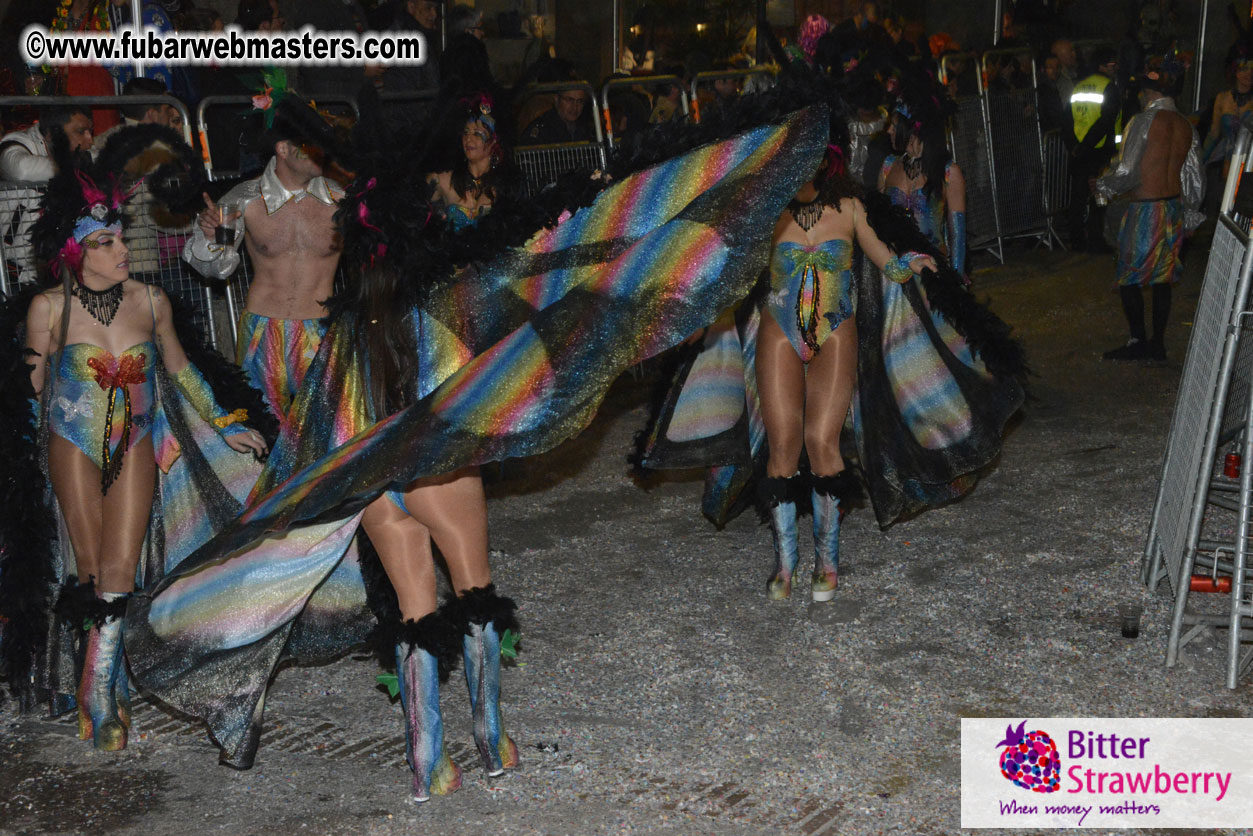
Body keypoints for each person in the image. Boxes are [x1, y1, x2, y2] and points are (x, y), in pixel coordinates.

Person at [121, 85, 828, 801]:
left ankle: (429, 761)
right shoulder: (440, 297)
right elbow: (512, 285)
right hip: (432, 457)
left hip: (369, 465)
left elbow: (326, 421)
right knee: (476, 592)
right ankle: (491, 740)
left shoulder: (341, 331)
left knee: (415, 606)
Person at [2, 124, 267, 746]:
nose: (121, 246)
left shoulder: (150, 302)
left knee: (121, 572)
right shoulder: (49, 309)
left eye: (120, 235)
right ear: (74, 252)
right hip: (72, 445)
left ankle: (96, 692)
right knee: (90, 569)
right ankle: (104, 684)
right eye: (105, 241)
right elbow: (28, 392)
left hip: (137, 444)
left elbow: (181, 370)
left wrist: (225, 426)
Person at [756, 148, 936, 600]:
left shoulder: (850, 207)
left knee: (821, 440)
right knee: (783, 446)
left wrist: (911, 263)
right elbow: (730, 271)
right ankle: (785, 563)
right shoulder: (765, 212)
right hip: (779, 329)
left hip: (835, 329)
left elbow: (884, 260)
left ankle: (827, 560)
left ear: (824, 159)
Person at [184, 94, 345, 426]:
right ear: (283, 149)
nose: (320, 150)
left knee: (328, 434)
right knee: (263, 430)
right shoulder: (245, 199)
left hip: (323, 331)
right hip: (262, 332)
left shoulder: (343, 199)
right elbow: (216, 265)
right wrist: (216, 239)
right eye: (308, 143)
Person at [1095, 57, 1203, 363]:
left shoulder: (1142, 122)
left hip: (1145, 209)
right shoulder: (1185, 126)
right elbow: (1194, 176)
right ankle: (1158, 343)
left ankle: (1138, 340)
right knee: (1162, 279)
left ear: (1149, 92)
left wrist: (1103, 186)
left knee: (1129, 277)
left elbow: (1128, 171)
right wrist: (1191, 213)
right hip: (1172, 208)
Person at [878, 98, 968, 277]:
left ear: (912, 131)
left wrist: (954, 283)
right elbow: (878, 223)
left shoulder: (949, 172)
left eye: (895, 126)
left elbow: (957, 234)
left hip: (932, 272)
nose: (888, 130)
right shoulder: (888, 166)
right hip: (896, 272)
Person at [1066, 47, 1122, 252]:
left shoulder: (1078, 87)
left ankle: (1077, 240)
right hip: (1100, 151)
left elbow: (1068, 121)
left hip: (1080, 151)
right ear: (1101, 66)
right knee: (1100, 196)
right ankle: (1097, 240)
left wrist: (1076, 147)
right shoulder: (1109, 88)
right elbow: (1106, 122)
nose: (1115, 69)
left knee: (1078, 197)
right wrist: (1088, 145)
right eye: (1112, 65)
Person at [0, 106, 94, 182]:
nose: (90, 140)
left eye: (90, 132)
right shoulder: (17, 142)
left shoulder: (83, 151)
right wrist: (79, 164)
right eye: (80, 132)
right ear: (52, 134)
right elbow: (22, 170)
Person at [1201, 45, 1253, 178]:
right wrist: (1199, 160)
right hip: (1226, 161)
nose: (1250, 74)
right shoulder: (1222, 98)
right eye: (1245, 69)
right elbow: (1213, 134)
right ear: (1236, 71)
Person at [523, 86, 595, 144]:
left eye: (580, 101)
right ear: (557, 100)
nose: (575, 107)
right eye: (569, 100)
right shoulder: (542, 130)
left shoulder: (585, 129)